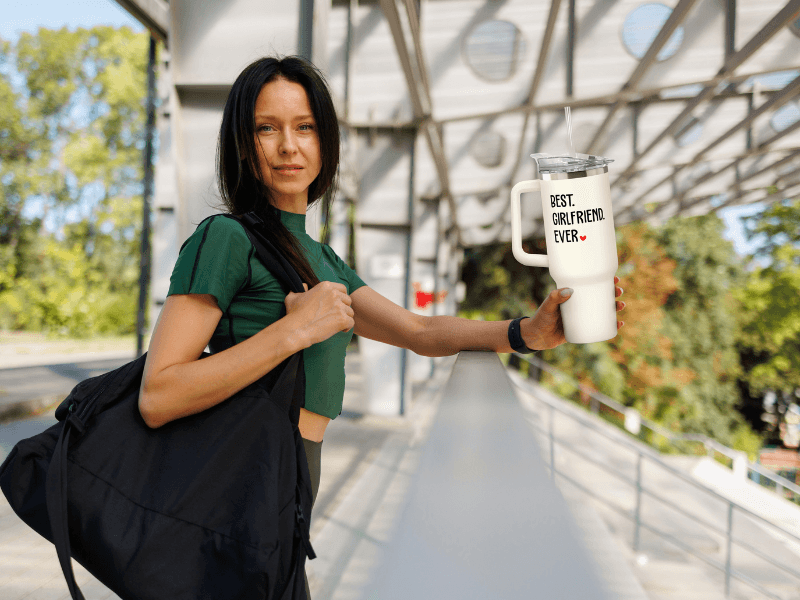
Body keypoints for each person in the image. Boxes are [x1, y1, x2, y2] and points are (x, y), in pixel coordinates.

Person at [138, 55, 625, 598]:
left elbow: (420, 332)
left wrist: (524, 333)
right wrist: (291, 333)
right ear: (242, 145)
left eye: (305, 127)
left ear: (326, 142)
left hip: (292, 488)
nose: (288, 146)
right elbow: (159, 393)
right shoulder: (225, 238)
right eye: (265, 129)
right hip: (238, 487)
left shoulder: (322, 259)